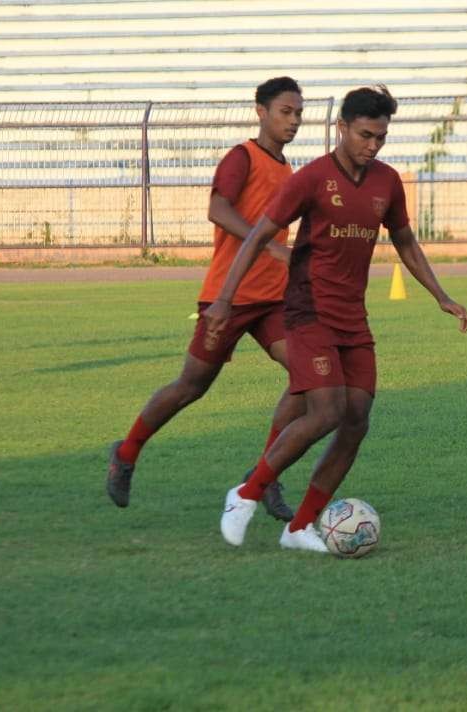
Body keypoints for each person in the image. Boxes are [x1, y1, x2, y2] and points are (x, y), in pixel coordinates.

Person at [209, 85, 467, 553]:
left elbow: (406, 241)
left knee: (356, 420)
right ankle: (245, 494)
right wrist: (225, 300)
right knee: (327, 410)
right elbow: (256, 238)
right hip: (308, 310)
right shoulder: (310, 178)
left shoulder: (387, 182)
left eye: (381, 138)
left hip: (353, 316)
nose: (373, 146)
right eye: (366, 135)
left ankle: (298, 528)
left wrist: (440, 295)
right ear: (342, 128)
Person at [106, 77, 306, 519]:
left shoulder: (288, 169)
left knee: (308, 378)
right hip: (227, 298)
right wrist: (268, 243)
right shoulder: (241, 157)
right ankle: (127, 451)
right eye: (285, 112)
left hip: (273, 300)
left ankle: (264, 476)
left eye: (298, 113)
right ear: (261, 111)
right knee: (190, 387)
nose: (293, 121)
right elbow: (217, 210)